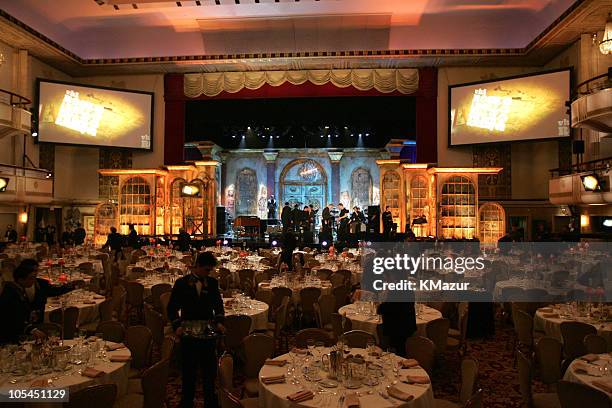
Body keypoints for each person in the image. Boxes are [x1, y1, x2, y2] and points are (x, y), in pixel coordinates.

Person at [167, 252, 225, 408]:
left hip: (208, 332)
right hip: (188, 332)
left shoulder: (212, 283)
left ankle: (210, 402)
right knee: (188, 371)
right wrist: (177, 325)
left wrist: (219, 321)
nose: (209, 273)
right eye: (207, 270)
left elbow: (218, 305)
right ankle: (186, 402)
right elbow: (172, 308)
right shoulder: (181, 283)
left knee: (209, 372)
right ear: (197, 266)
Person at [0, 259, 75, 344]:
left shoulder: (20, 288)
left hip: (28, 329)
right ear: (20, 279)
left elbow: (54, 291)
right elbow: (11, 317)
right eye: (31, 278)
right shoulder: (11, 293)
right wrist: (31, 329)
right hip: (10, 337)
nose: (33, 280)